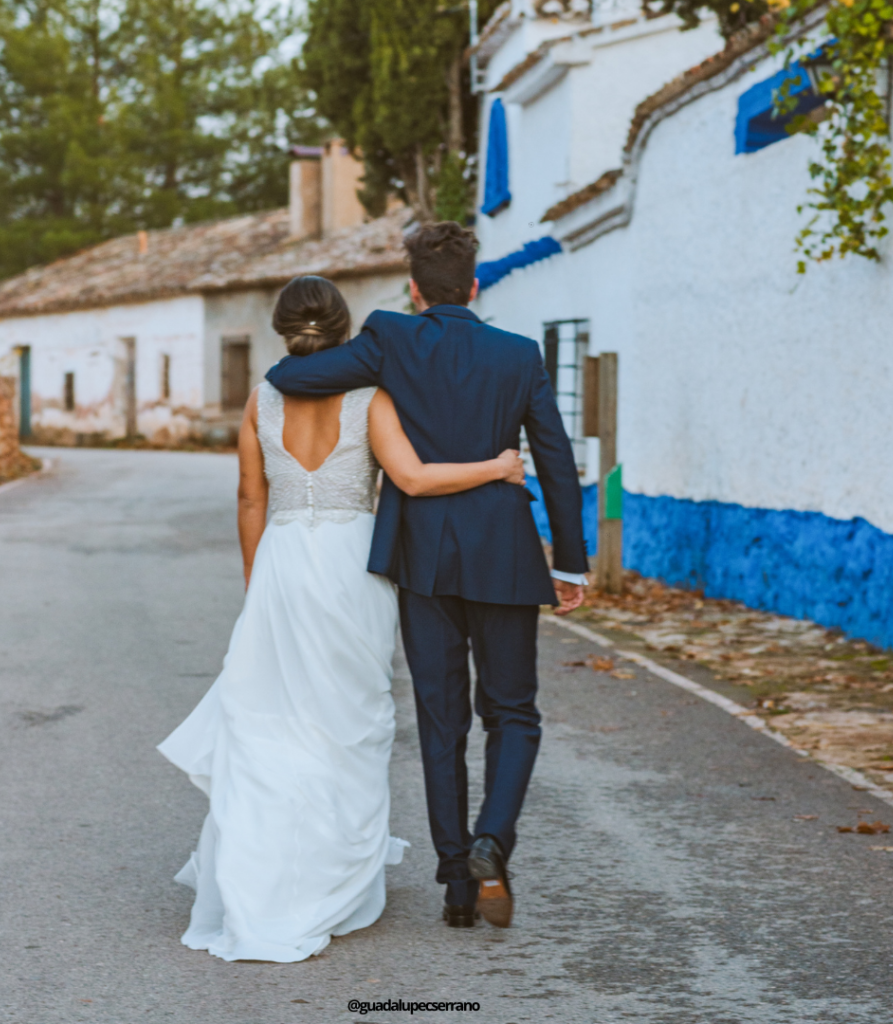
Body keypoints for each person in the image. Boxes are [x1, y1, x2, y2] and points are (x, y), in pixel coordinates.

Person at [158, 274, 527, 963]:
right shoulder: (368, 397)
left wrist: (257, 585)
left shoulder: (262, 398)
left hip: (281, 563)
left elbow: (249, 498)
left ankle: (260, 874)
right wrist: (496, 466)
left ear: (281, 330)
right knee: (347, 723)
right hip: (353, 568)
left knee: (270, 722)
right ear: (345, 328)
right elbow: (414, 480)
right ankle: (333, 881)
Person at [267, 221, 589, 930]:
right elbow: (557, 461)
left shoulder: (392, 338)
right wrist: (570, 562)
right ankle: (491, 842)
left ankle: (455, 886)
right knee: (512, 713)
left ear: (415, 289)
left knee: (441, 721)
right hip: (505, 553)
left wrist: (356, 355)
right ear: (475, 286)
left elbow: (289, 376)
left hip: (423, 556)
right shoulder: (518, 355)